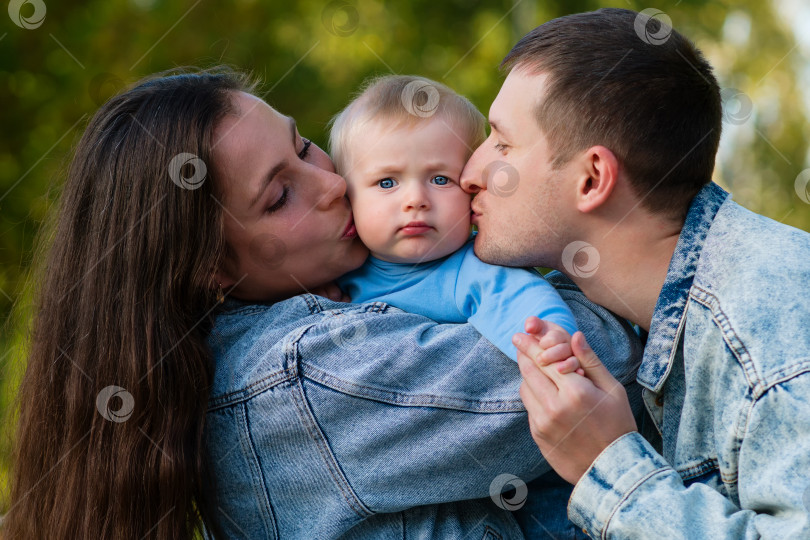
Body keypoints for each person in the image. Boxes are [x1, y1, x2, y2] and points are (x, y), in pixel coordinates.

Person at [6, 68, 643, 539]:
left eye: (305, 147)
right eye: (279, 197)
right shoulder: (304, 373)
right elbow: (597, 362)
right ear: (214, 269)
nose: (336, 184)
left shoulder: (343, 299)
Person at [459, 8, 810, 539]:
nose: (468, 174)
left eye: (503, 144)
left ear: (592, 177)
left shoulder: (772, 324)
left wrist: (609, 467)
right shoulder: (616, 304)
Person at [330, 74, 578, 362]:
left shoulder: (472, 268)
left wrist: (549, 342)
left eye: (440, 179)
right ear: (348, 198)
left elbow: (522, 300)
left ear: (470, 188)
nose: (415, 200)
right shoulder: (332, 270)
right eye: (387, 183)